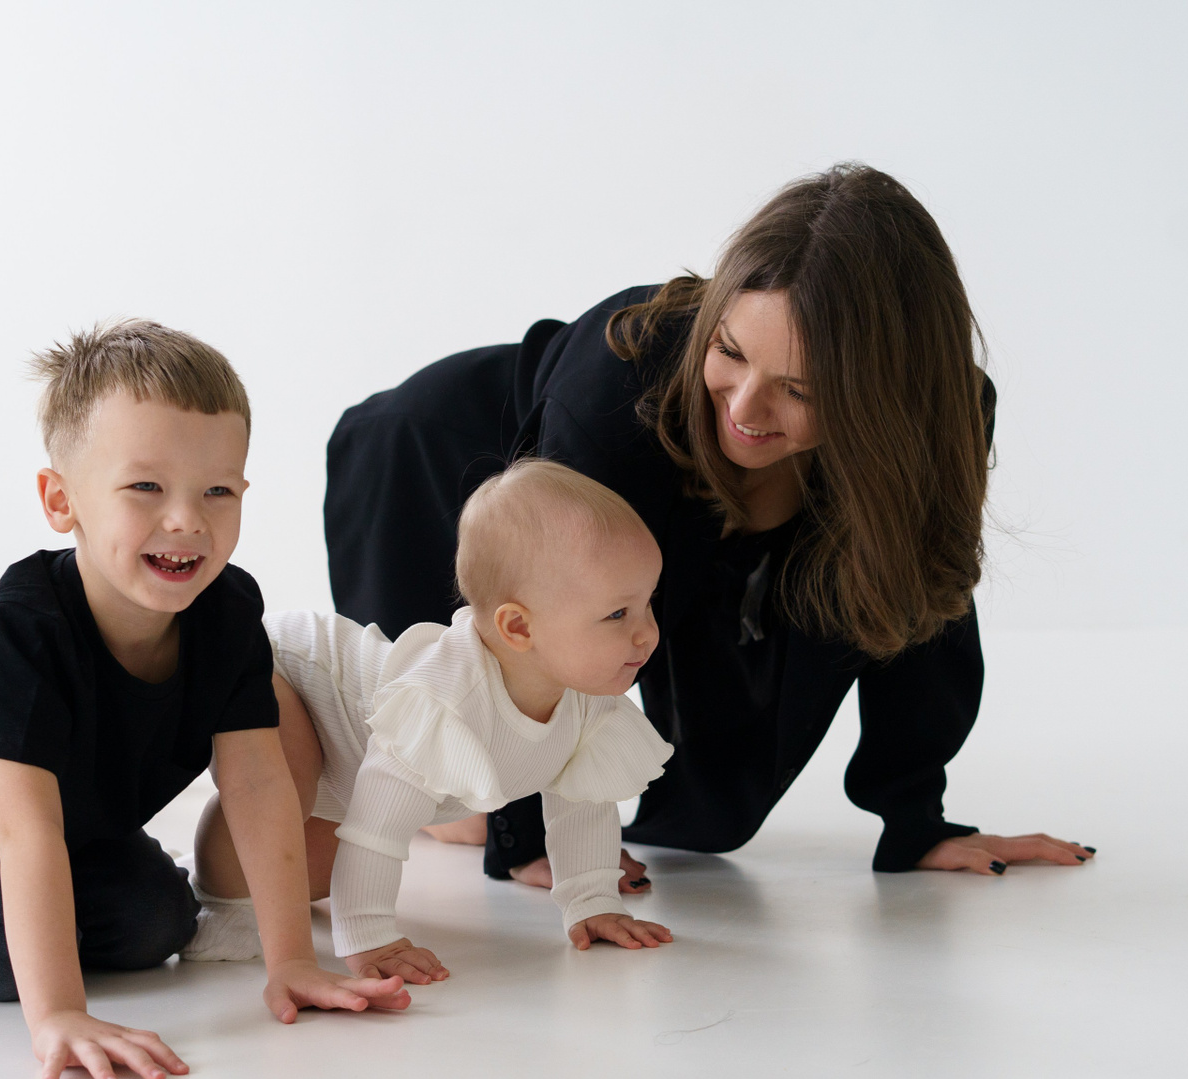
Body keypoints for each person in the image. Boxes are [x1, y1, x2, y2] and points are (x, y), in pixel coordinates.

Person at [323, 163, 1095, 886]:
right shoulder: (616, 394)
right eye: (730, 351)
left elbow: (918, 600)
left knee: (719, 803)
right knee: (440, 779)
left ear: (883, 397)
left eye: (800, 388)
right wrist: (524, 834)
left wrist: (916, 821)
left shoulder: (942, 415)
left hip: (641, 501)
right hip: (437, 466)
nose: (745, 409)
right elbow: (546, 621)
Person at [0, 319, 406, 1079]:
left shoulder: (227, 612)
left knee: (155, 925)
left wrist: (292, 963)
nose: (187, 520)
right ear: (61, 499)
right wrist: (59, 1015)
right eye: (146, 488)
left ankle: (10, 913)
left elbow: (257, 783)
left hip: (61, 822)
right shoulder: (24, 629)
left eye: (217, 490)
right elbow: (25, 832)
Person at [189, 460, 676, 982]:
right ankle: (218, 903)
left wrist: (592, 902)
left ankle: (251, 880)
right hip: (283, 670)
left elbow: (584, 806)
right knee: (286, 790)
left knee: (313, 870)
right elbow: (375, 829)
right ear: (518, 627)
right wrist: (370, 936)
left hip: (348, 764)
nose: (647, 633)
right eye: (617, 615)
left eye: (647, 604)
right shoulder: (448, 699)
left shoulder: (585, 697)